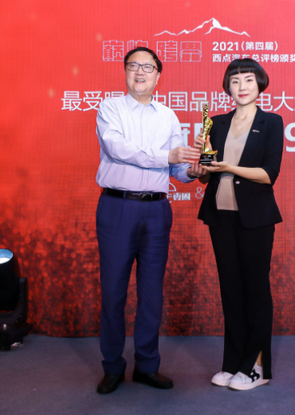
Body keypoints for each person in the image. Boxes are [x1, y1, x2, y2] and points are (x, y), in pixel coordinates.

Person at [94, 46, 206, 395]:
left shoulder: (168, 116)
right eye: (133, 66)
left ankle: (146, 364)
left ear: (159, 75)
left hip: (157, 210)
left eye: (148, 67)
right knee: (113, 291)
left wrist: (193, 171)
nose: (140, 72)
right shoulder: (110, 108)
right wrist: (167, 156)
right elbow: (117, 149)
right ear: (125, 72)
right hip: (118, 207)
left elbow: (176, 169)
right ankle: (113, 366)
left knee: (151, 292)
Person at [195, 59, 284, 391]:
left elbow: (268, 174)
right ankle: (232, 363)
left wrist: (229, 166)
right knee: (230, 291)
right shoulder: (216, 123)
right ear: (227, 87)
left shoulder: (271, 122)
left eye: (248, 79)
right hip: (220, 216)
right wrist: (201, 166)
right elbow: (207, 174)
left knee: (256, 292)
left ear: (260, 84)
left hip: (255, 219)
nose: (242, 86)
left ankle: (257, 367)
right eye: (235, 81)